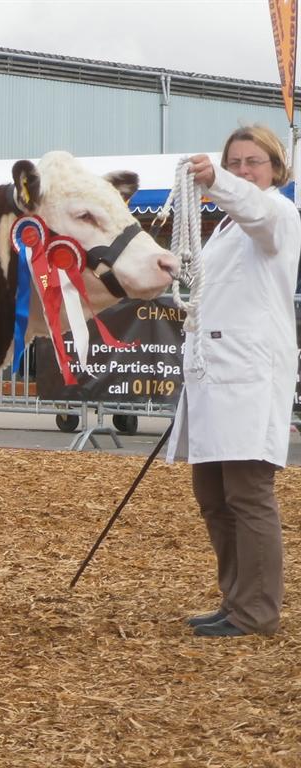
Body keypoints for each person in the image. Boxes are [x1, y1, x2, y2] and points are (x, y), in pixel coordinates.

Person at [167, 124, 301, 637]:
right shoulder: (224, 228)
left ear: (275, 169)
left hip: (248, 375)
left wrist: (219, 178)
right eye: (235, 161)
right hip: (214, 375)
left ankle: (258, 610)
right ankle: (235, 597)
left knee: (248, 493)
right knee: (214, 495)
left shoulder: (279, 213)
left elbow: (257, 210)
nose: (245, 170)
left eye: (254, 162)